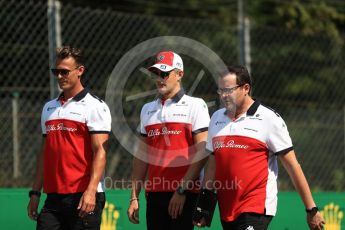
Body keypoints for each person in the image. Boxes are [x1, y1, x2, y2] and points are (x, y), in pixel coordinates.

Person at [194, 65, 325, 230]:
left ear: (245, 88)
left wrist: (311, 209)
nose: (224, 96)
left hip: (256, 207)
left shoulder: (269, 119)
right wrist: (204, 206)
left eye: (229, 90)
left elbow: (292, 166)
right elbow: (212, 167)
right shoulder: (216, 118)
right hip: (227, 209)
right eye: (221, 91)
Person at [27, 46, 111, 230]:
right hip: (53, 197)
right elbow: (44, 153)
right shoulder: (49, 108)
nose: (59, 77)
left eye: (64, 72)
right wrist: (35, 192)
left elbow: (100, 153)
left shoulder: (95, 106)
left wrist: (91, 191)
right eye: (56, 72)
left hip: (83, 195)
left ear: (80, 71)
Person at [127, 51, 210, 230]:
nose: (159, 78)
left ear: (180, 74)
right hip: (154, 195)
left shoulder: (196, 105)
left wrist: (182, 190)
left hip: (185, 194)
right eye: (156, 74)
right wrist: (134, 196)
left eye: (164, 74)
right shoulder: (147, 109)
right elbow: (141, 157)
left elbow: (203, 152)